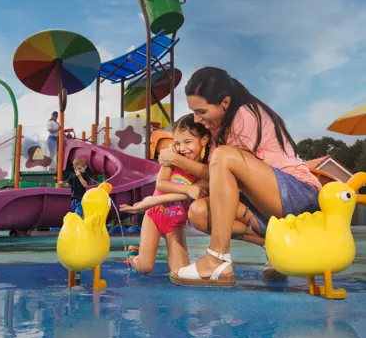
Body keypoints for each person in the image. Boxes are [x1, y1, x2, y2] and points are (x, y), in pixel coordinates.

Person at [162, 67, 322, 287]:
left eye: (201, 111)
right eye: (193, 111)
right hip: (268, 209)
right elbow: (218, 180)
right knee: (199, 212)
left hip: (299, 198)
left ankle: (217, 259)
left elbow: (224, 168)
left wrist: (177, 160)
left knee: (224, 156)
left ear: (225, 103)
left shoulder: (245, 114)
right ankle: (274, 247)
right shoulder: (219, 129)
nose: (197, 119)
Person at [118, 114, 210, 274]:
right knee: (145, 267)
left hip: (175, 224)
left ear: (203, 140)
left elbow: (199, 192)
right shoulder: (173, 160)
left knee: (180, 272)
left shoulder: (206, 170)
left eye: (187, 142)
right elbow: (161, 184)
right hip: (154, 215)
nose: (182, 148)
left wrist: (190, 191)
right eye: (177, 143)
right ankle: (133, 255)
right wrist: (188, 189)